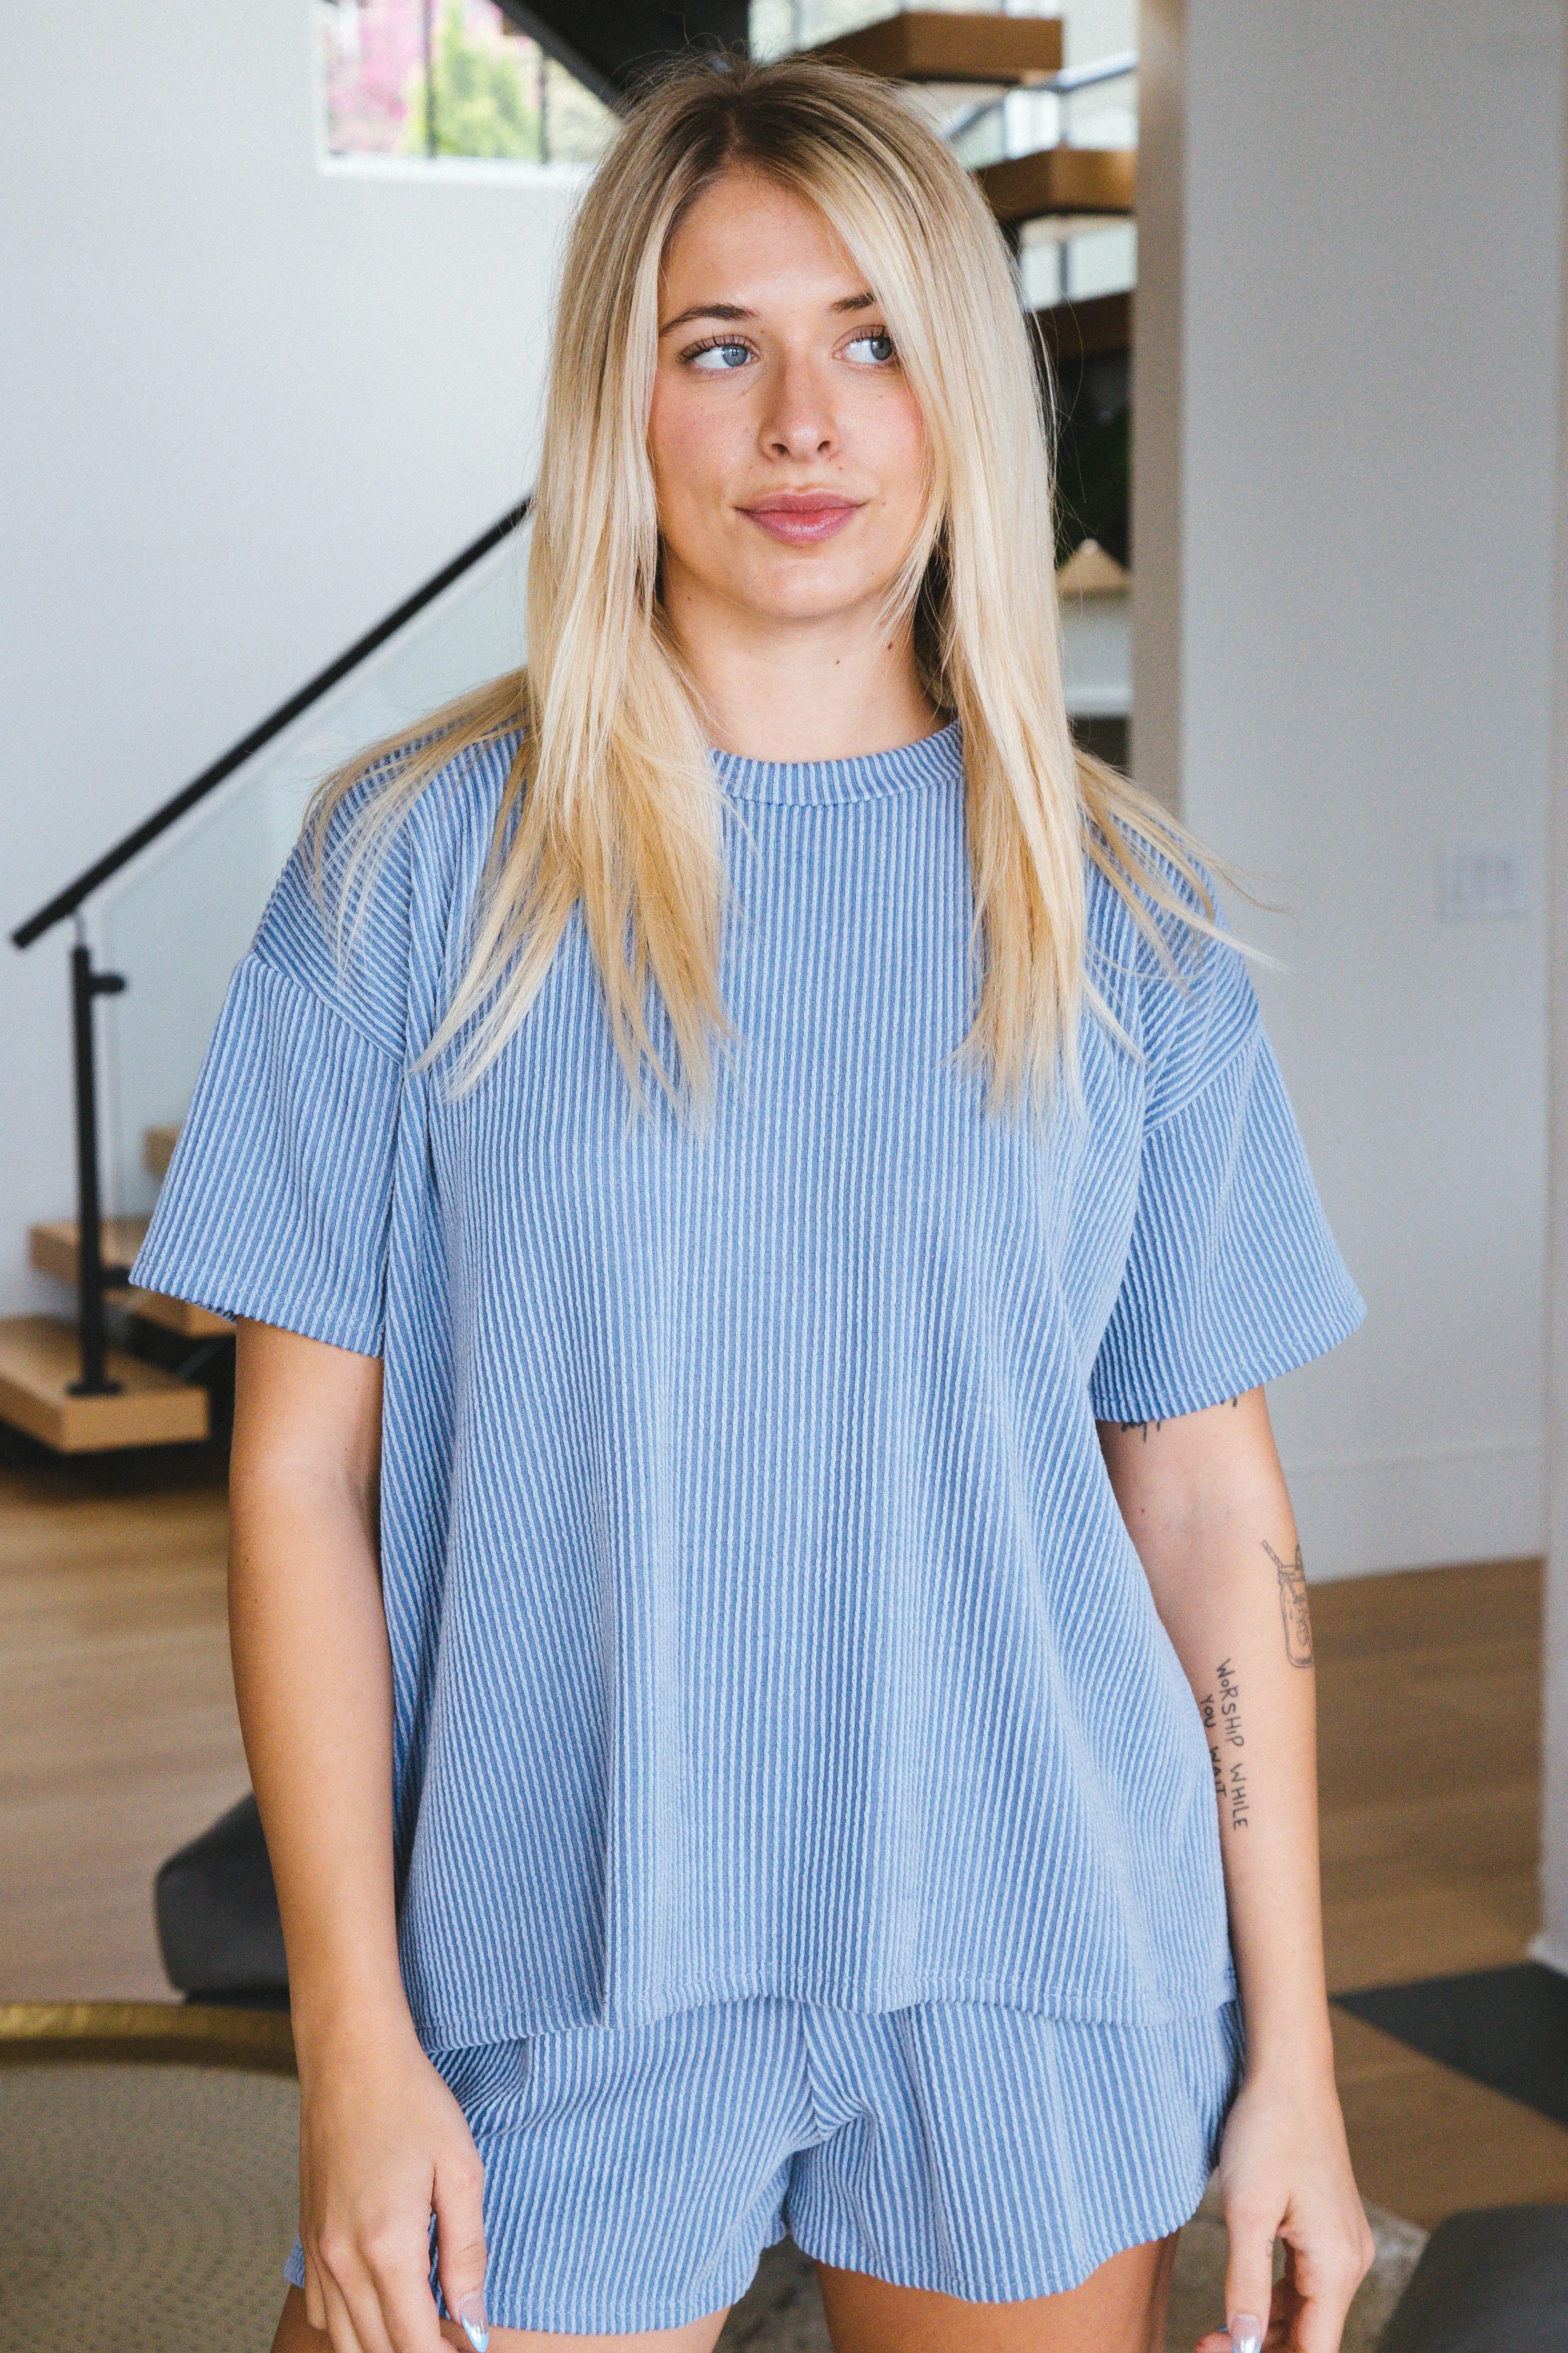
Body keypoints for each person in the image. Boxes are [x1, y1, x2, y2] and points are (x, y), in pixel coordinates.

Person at [133, 51, 1377, 2353]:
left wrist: (1289, 2046)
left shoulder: (1131, 926)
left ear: (961, 409)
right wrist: (347, 2031)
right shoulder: (411, 874)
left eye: (874, 338)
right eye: (722, 347)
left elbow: (1208, 1503)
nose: (805, 421)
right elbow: (295, 1472)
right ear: (624, 405)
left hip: (1035, 1946)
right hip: (554, 1949)